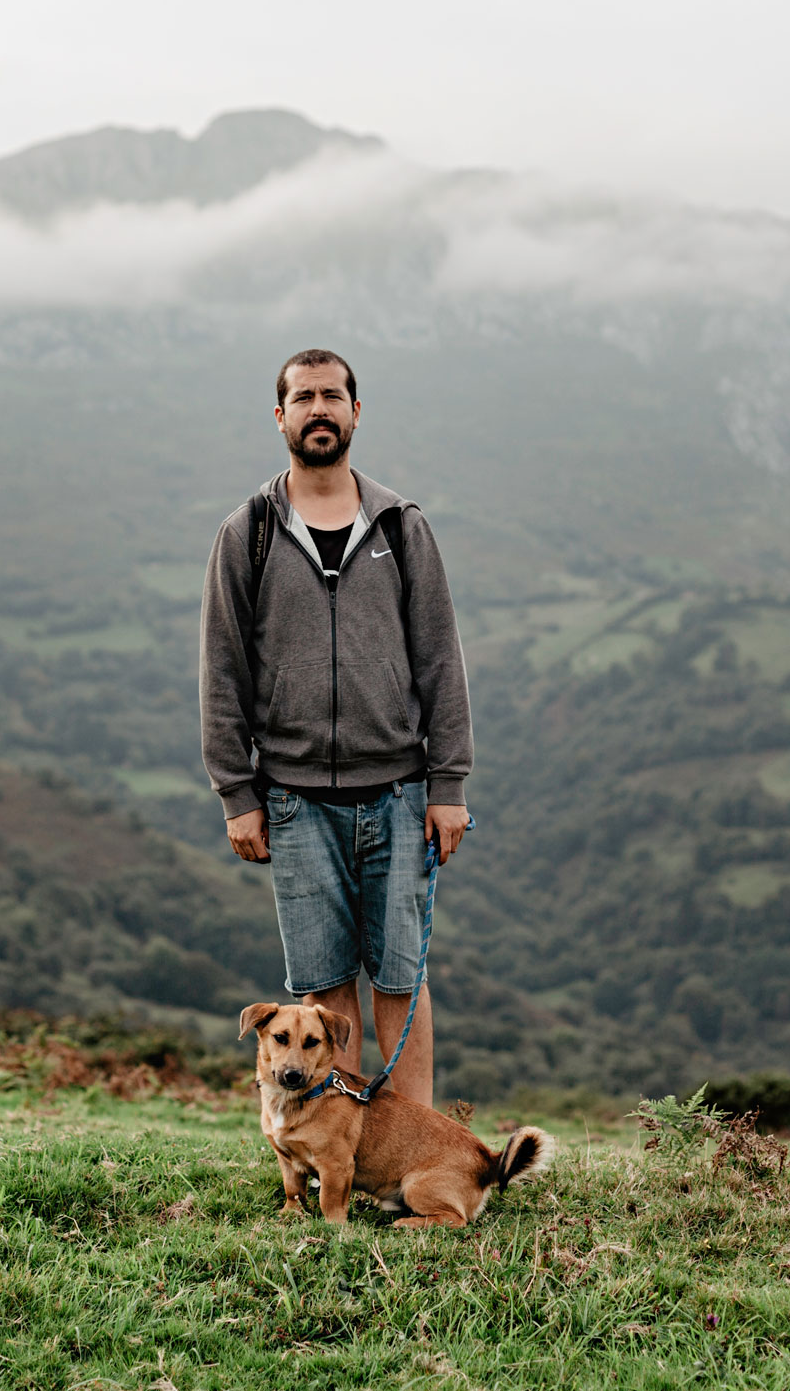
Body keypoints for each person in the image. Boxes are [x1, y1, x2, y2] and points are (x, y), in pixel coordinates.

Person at [199, 348, 472, 1107]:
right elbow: (221, 670)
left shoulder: (400, 525)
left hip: (399, 792)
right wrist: (236, 793)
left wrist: (447, 785)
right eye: (303, 397)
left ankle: (409, 1138)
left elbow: (439, 659)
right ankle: (343, 1145)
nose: (319, 408)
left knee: (400, 980)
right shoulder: (247, 532)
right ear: (279, 416)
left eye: (333, 396)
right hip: (290, 800)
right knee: (322, 988)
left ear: (356, 413)